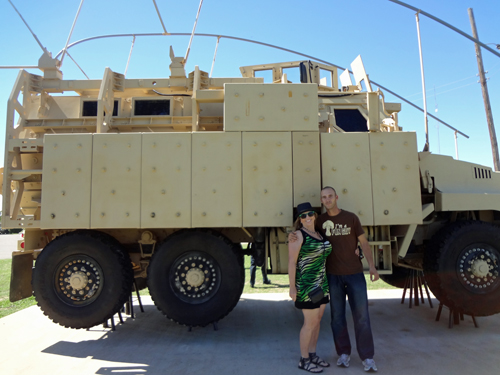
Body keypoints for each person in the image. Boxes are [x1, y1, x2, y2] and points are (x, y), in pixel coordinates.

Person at [289, 187, 379, 373]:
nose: (328, 199)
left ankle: (367, 357)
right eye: (324, 197)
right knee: (336, 318)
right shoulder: (318, 221)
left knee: (361, 317)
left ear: (336, 197)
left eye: (330, 196)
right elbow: (296, 249)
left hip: (353, 274)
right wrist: (292, 234)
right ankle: (342, 354)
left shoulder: (350, 218)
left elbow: (362, 242)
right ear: (321, 201)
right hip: (330, 277)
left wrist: (370, 264)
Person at [288, 202, 332, 373]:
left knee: (318, 320)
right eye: (303, 216)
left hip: (322, 284)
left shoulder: (319, 234)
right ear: (299, 219)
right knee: (309, 323)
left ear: (315, 215)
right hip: (307, 286)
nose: (307, 218)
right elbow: (292, 262)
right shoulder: (298, 236)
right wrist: (292, 288)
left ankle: (313, 354)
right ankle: (304, 359)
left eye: (309, 214)